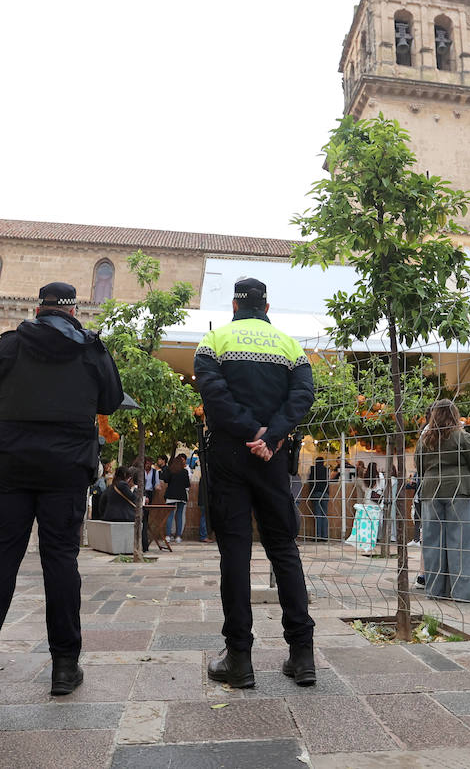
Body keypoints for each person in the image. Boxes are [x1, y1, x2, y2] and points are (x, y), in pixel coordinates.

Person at [0, 282, 123, 701]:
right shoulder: (91, 347)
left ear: (38, 310)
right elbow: (111, 399)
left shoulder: (10, 344)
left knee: (1, 557)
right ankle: (64, 668)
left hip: (15, 464)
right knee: (61, 562)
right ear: (73, 312)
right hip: (67, 469)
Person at [194, 277, 316, 688]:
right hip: (273, 456)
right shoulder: (290, 346)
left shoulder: (214, 342)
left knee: (235, 552)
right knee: (283, 548)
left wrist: (251, 432)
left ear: (234, 305)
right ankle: (302, 656)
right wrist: (272, 436)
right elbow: (303, 395)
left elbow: (214, 395)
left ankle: (239, 659)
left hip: (229, 454)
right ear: (266, 307)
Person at [415, 399, 470, 602]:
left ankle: (435, 590)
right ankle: (462, 592)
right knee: (461, 542)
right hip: (459, 489)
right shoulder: (462, 436)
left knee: (433, 543)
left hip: (430, 491)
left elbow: (419, 466)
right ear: (454, 414)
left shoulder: (425, 439)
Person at [163, 453, 191, 542]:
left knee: (170, 515)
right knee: (179, 516)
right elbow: (187, 484)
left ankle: (168, 536)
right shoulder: (185, 471)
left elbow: (165, 480)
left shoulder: (171, 470)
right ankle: (178, 536)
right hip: (181, 496)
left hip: (171, 495)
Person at [306, 456, 330, 541]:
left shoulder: (312, 469)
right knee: (324, 515)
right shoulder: (326, 470)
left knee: (318, 515)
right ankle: (325, 536)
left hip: (316, 493)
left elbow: (309, 480)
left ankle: (318, 536)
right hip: (325, 493)